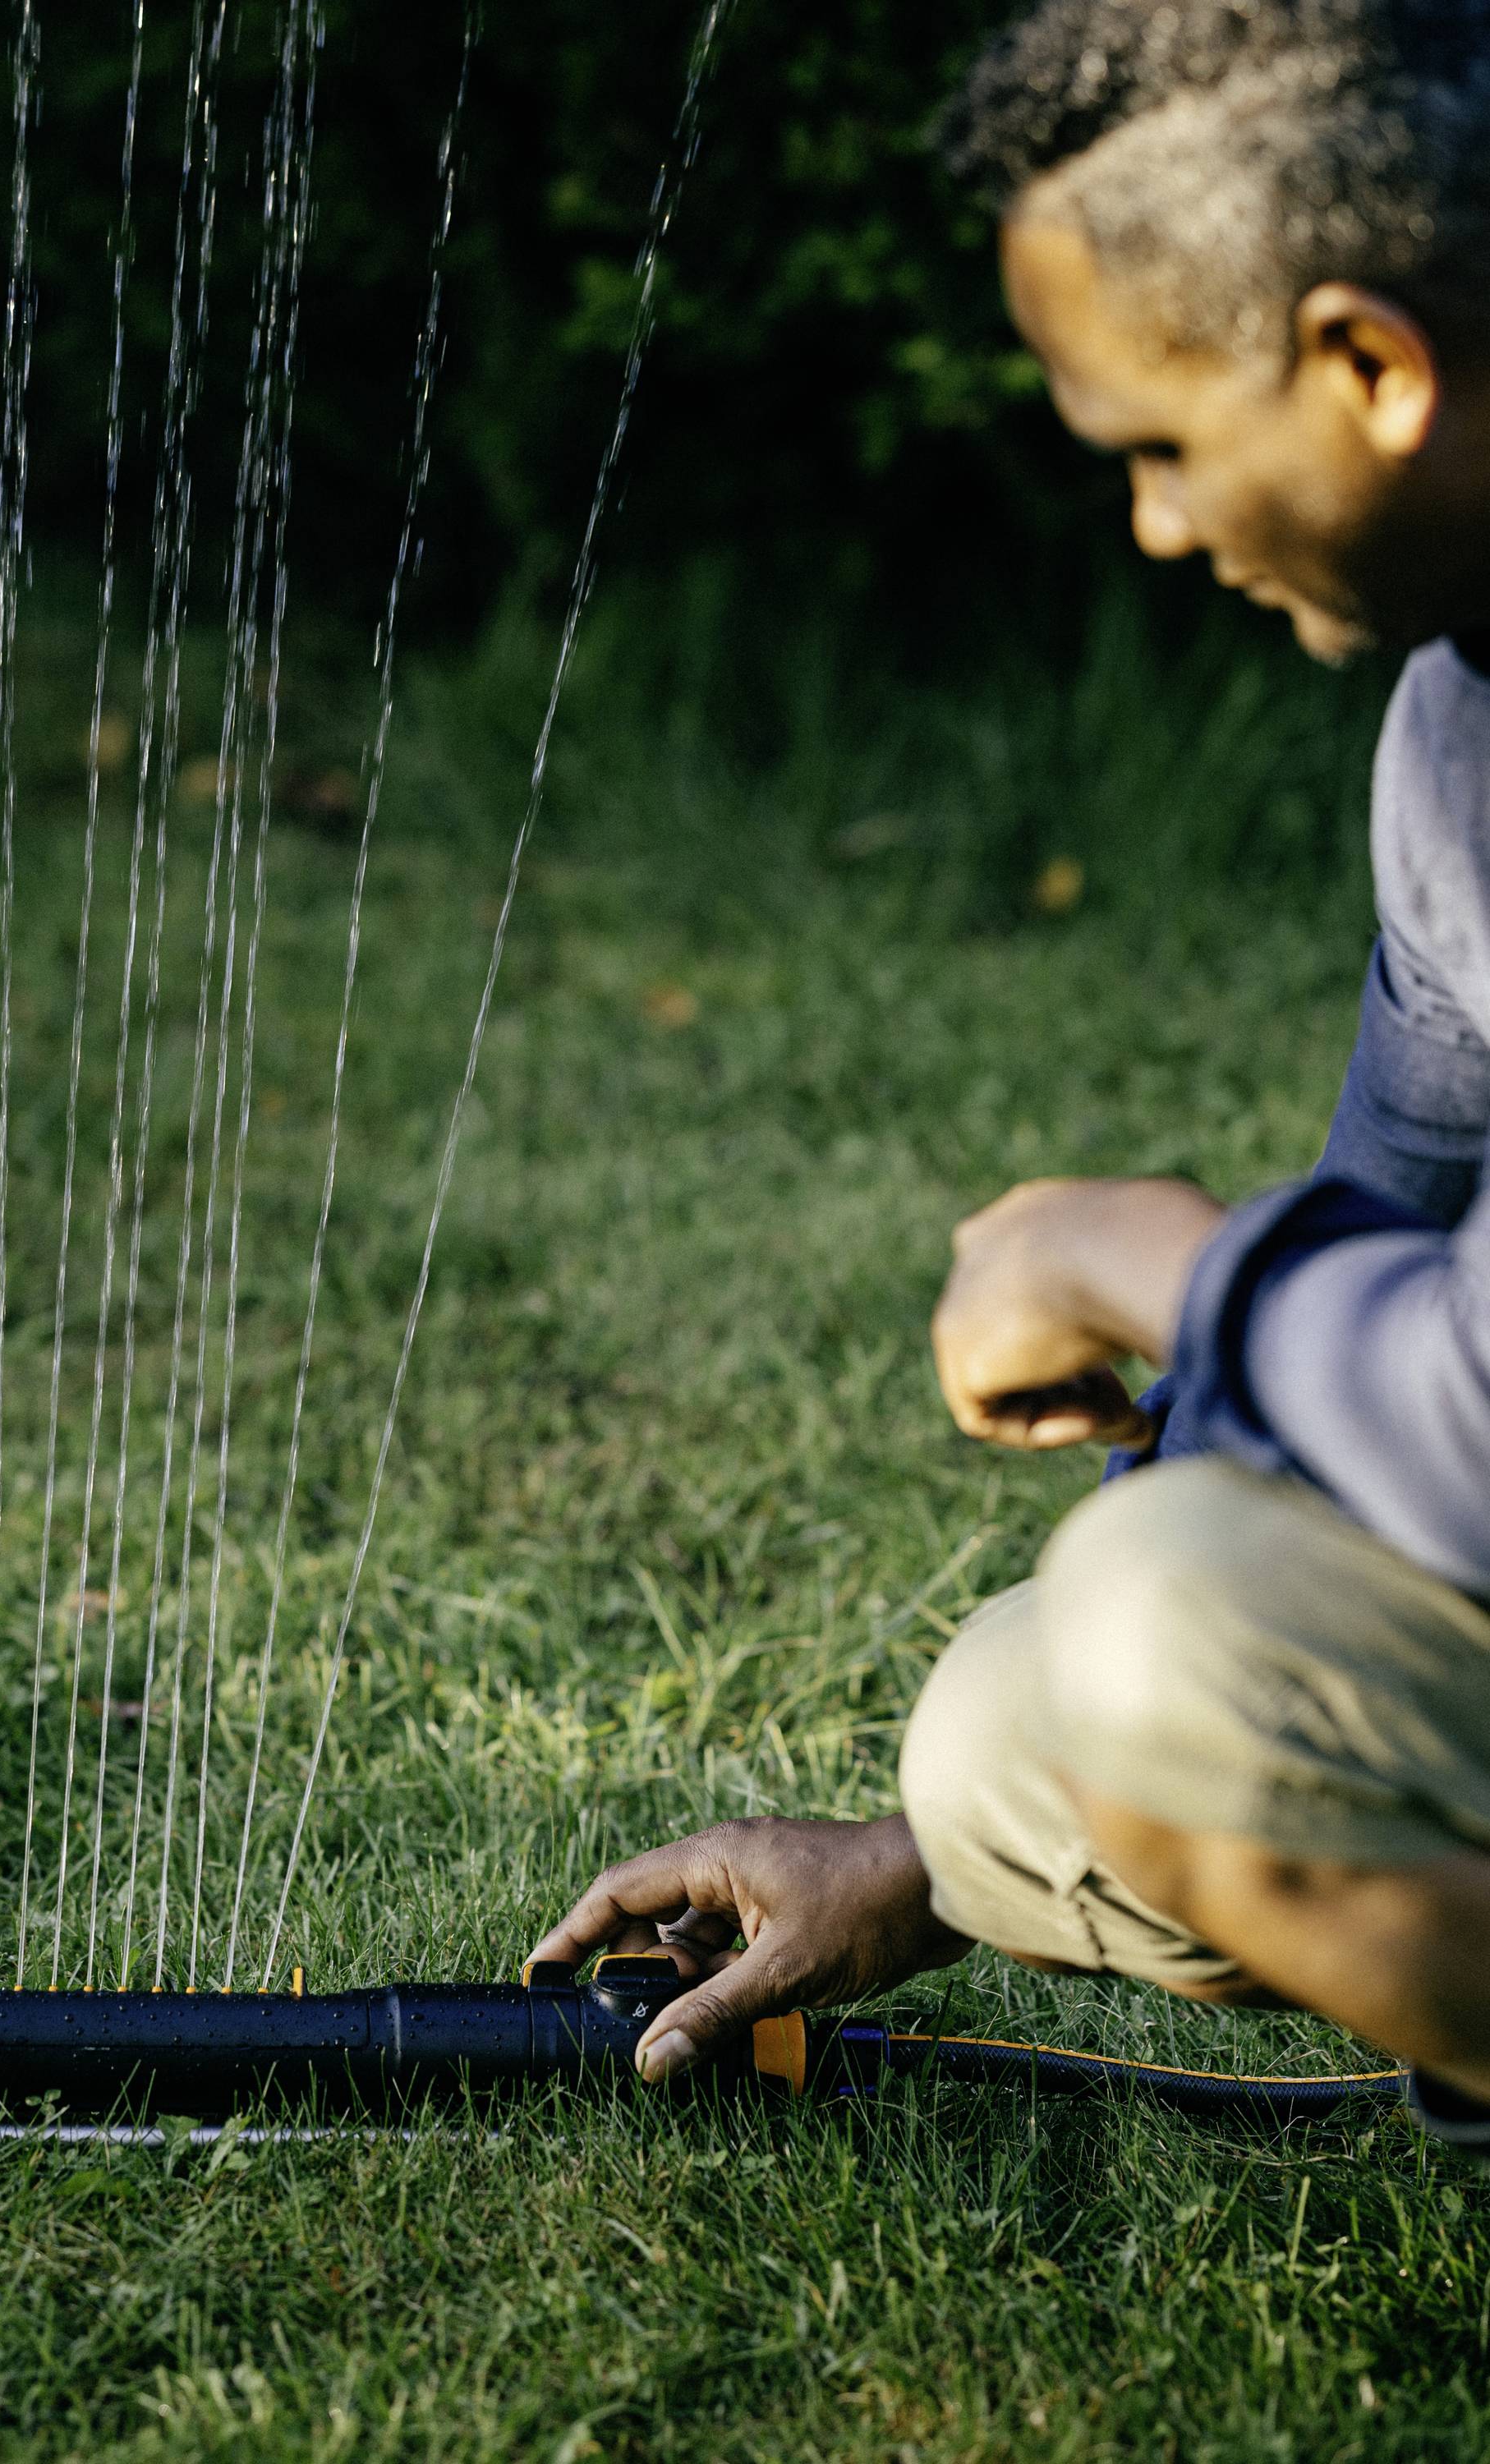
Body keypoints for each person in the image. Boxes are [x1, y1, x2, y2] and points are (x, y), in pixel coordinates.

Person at [533, 0, 1490, 2140]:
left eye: (1161, 445)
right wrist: (913, 1870)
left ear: (1370, 363)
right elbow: (1382, 1254)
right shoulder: (1459, 733)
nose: (1151, 524)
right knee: (1013, 1727)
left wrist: (1138, 1253)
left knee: (1158, 1631)